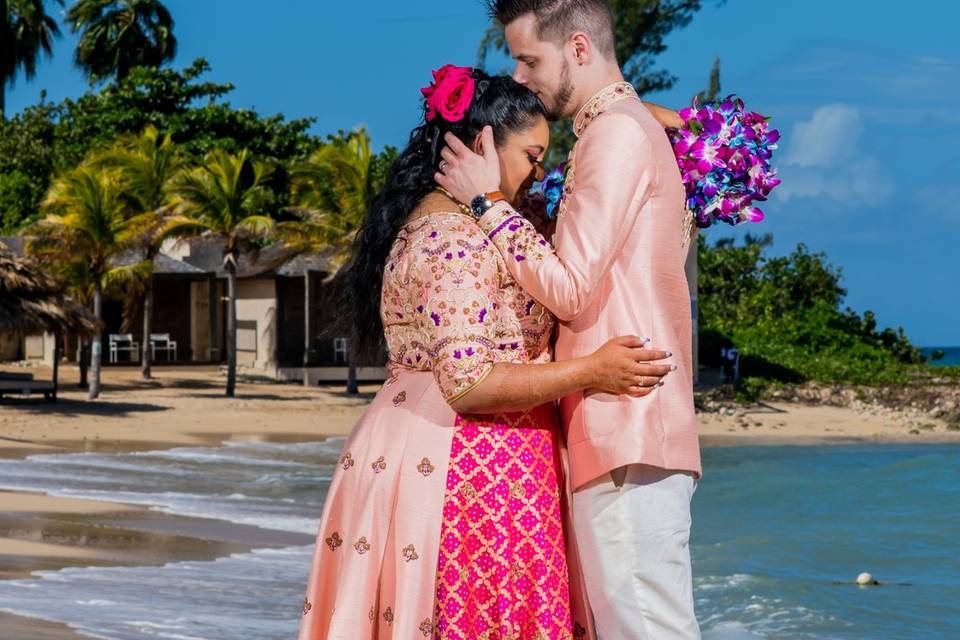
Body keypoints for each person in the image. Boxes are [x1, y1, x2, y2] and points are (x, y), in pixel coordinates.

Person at [298, 65, 675, 640]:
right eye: (531, 155)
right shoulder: (455, 238)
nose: (537, 173)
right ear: (481, 145)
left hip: (441, 448)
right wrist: (593, 371)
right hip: (465, 465)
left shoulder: (471, 221)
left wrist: (638, 120)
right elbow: (470, 383)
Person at [435, 2, 703, 638]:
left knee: (645, 627)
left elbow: (572, 289)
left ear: (579, 49)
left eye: (529, 59)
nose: (520, 78)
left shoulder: (615, 134)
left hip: (626, 420)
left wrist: (486, 202)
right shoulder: (623, 130)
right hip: (624, 421)